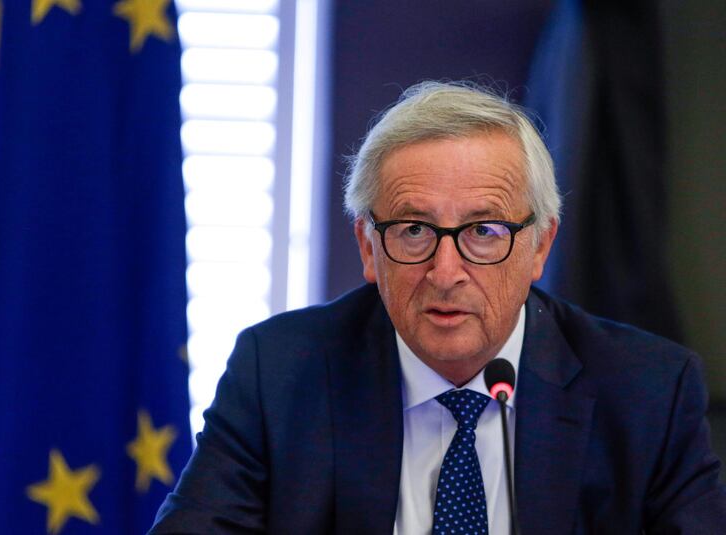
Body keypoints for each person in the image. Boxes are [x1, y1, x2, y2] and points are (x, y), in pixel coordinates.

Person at [149, 81, 726, 534]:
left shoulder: (649, 390)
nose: (445, 273)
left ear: (539, 246)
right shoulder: (277, 372)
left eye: (483, 230)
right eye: (413, 230)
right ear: (369, 248)